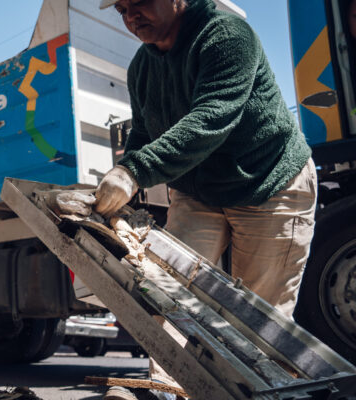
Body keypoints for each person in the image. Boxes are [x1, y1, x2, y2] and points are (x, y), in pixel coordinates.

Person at [94, 0, 317, 399]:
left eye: (140, 3)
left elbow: (212, 116)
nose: (131, 17)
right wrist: (125, 171)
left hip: (268, 184)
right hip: (198, 192)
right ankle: (163, 390)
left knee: (257, 317)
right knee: (167, 287)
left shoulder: (227, 36)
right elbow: (143, 134)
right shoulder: (142, 67)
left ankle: (259, 391)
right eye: (122, 9)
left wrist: (135, 172)